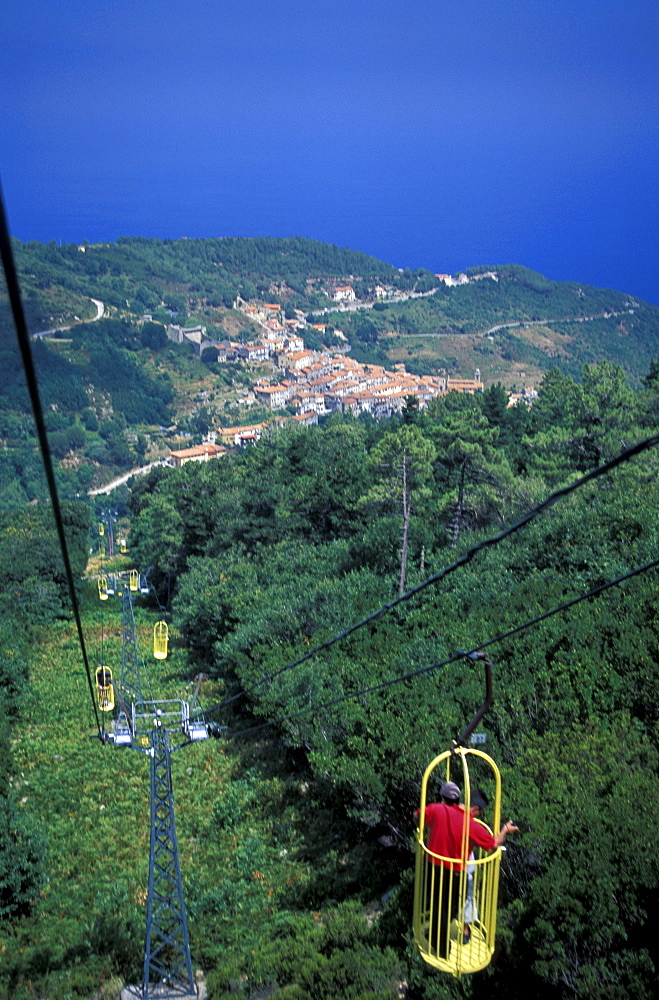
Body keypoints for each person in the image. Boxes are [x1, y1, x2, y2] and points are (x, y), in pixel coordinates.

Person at [415, 781, 517, 958]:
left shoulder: (437, 809)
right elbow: (494, 843)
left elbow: (417, 816)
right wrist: (504, 831)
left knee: (437, 903)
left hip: (432, 866)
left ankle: (434, 934)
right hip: (454, 871)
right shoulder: (471, 825)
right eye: (480, 812)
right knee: (449, 908)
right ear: (476, 809)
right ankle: (441, 948)